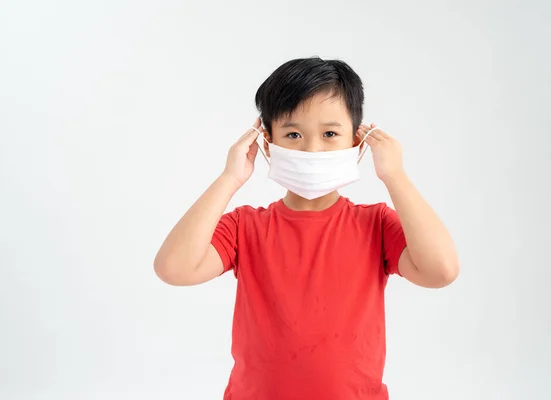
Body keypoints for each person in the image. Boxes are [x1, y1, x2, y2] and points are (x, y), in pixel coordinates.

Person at [154, 57, 459, 400]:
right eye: (293, 134)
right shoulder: (245, 226)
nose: (312, 148)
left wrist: (395, 176)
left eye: (330, 134)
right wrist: (230, 178)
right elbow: (174, 268)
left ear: (357, 141)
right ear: (266, 142)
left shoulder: (376, 224)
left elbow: (440, 271)